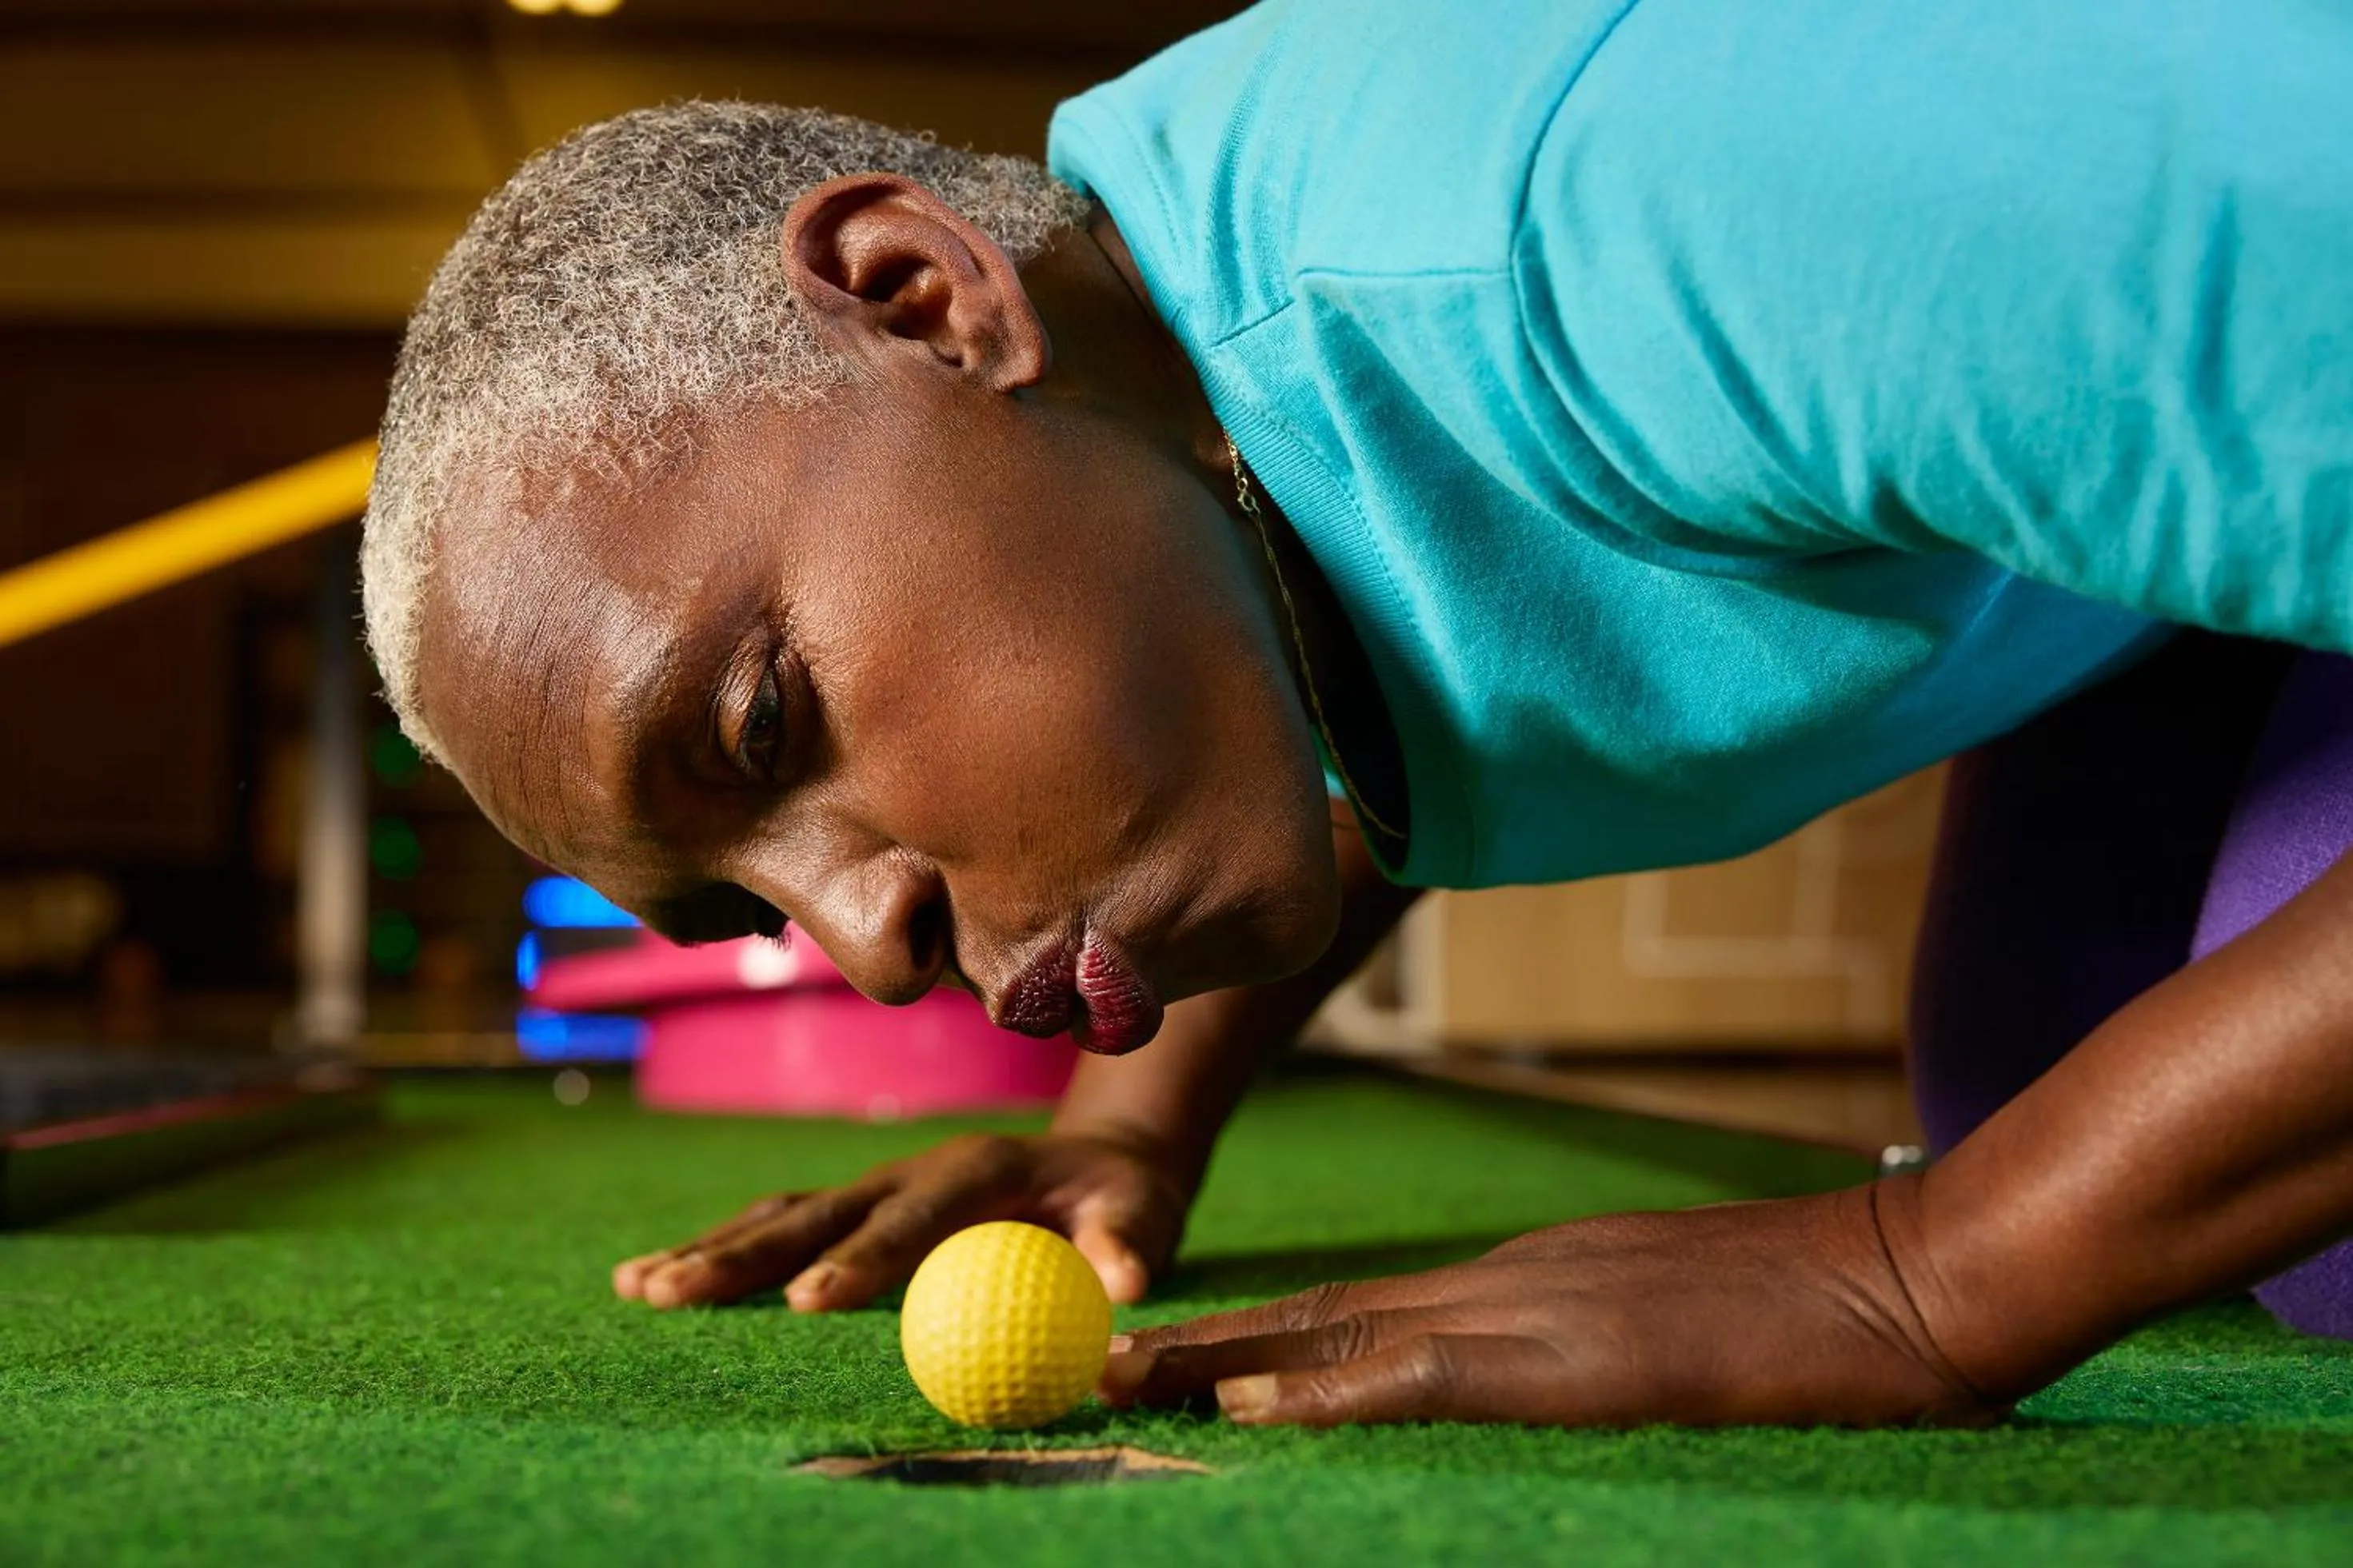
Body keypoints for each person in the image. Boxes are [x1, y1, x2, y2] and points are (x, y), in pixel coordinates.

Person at [359, 0, 2353, 1427]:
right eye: (739, 906)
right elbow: (1374, 679)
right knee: (2068, 1069)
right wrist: (1129, 1122)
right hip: (2174, 561)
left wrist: (1935, 1271)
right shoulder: (1187, 471)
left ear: (921, 297)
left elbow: (1479, 398)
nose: (861, 947)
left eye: (764, 727)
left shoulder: (1603, 230)